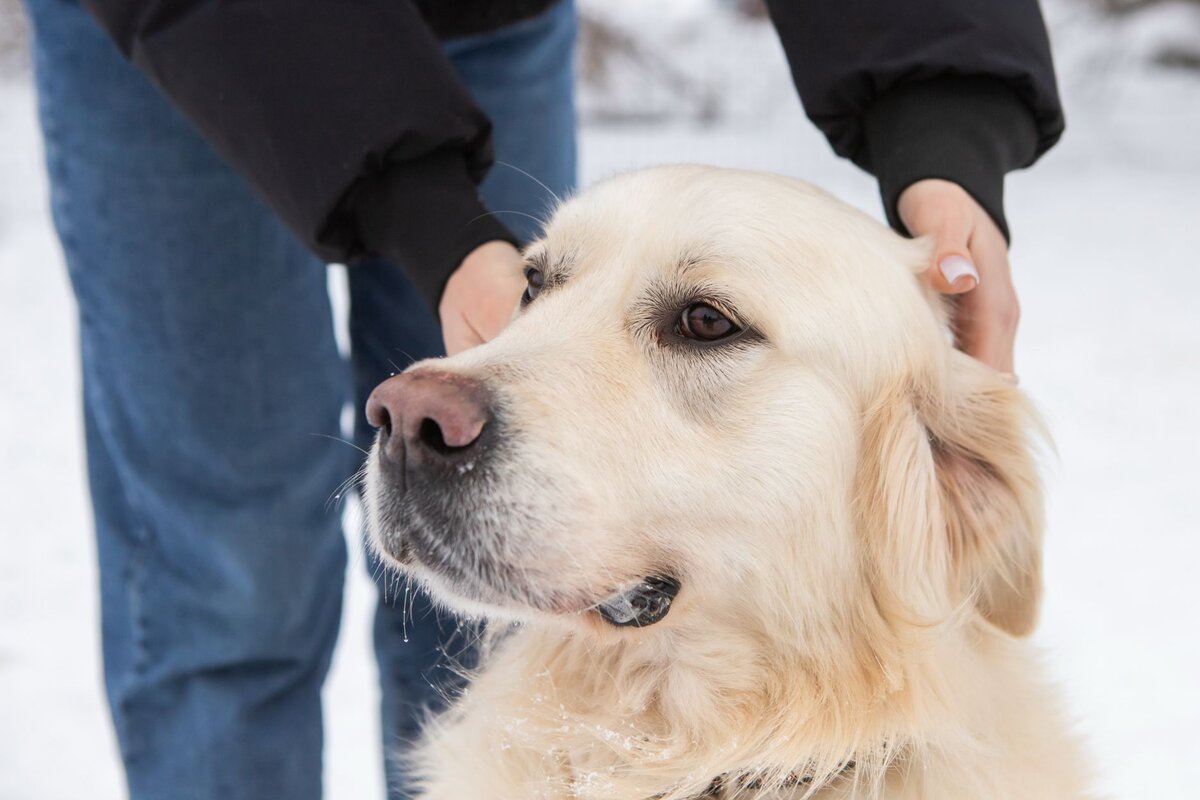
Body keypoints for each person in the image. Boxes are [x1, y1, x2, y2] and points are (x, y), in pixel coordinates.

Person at [20, 0, 1063, 798]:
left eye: (704, 323)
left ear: (952, 483)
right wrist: (425, 210)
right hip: (186, 35)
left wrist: (948, 127)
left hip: (487, 11)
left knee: (500, 600)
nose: (442, 398)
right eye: (545, 281)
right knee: (226, 568)